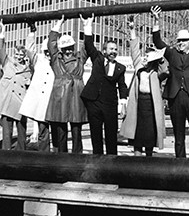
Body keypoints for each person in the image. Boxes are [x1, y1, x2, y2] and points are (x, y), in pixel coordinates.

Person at [152, 4, 189, 158]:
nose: (180, 42)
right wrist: (156, 21)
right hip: (176, 97)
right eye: (179, 40)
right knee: (179, 135)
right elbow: (158, 42)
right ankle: (180, 162)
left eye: (184, 40)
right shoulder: (171, 54)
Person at [119, 15, 169, 156]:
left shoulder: (156, 72)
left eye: (148, 57)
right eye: (145, 56)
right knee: (137, 137)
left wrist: (158, 57)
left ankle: (148, 162)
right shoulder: (139, 67)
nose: (145, 58)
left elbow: (165, 69)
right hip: (138, 104)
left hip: (151, 106)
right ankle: (136, 163)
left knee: (149, 138)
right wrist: (132, 30)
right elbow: (134, 49)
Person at [80, 14, 128, 155]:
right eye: (111, 49)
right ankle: (97, 161)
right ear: (104, 50)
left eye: (115, 49)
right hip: (94, 102)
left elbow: (122, 86)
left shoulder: (121, 68)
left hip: (110, 104)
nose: (113, 51)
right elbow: (89, 44)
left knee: (111, 134)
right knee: (95, 134)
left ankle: (111, 162)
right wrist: (87, 25)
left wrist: (123, 104)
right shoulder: (98, 59)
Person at [46, 16, 88, 153]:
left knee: (77, 131)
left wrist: (86, 26)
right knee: (61, 131)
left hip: (76, 96)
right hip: (60, 97)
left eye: (70, 48)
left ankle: (77, 156)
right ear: (61, 49)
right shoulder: (55, 59)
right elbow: (51, 43)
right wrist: (58, 24)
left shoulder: (80, 58)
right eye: (65, 48)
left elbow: (88, 46)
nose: (68, 51)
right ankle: (61, 157)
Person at [0, 20, 33, 150]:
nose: (18, 56)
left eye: (21, 55)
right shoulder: (7, 63)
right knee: (6, 135)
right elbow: (1, 49)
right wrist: (2, 33)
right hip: (7, 105)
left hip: (21, 105)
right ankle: (5, 158)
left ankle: (21, 157)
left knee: (22, 135)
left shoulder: (28, 69)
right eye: (17, 54)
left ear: (24, 56)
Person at [19, 34, 54, 152]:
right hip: (41, 103)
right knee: (43, 130)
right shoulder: (38, 59)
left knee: (56, 131)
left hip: (53, 101)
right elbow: (29, 48)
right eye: (46, 51)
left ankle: (57, 155)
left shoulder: (57, 61)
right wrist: (32, 33)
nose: (48, 53)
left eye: (49, 51)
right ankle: (44, 155)